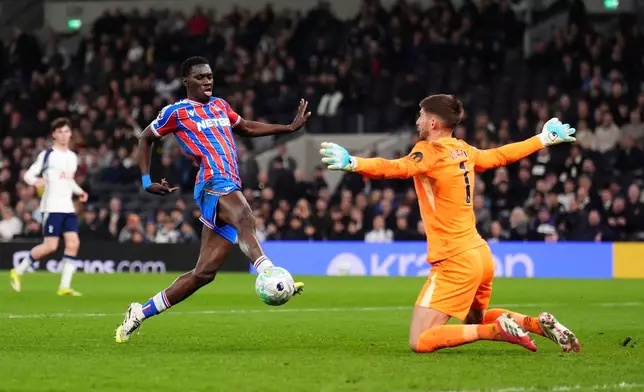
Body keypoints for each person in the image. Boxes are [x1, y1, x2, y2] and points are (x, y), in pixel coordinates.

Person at [320, 94, 581, 353]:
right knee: (473, 318)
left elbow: (397, 167)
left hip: (454, 259)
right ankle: (535, 324)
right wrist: (542, 139)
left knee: (420, 340)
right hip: (480, 255)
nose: (418, 121)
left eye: (421, 115)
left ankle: (495, 331)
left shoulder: (428, 151)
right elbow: (499, 156)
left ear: (433, 122)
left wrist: (354, 163)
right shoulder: (463, 149)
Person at [115, 56, 310, 343]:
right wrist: (147, 181)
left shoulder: (220, 105)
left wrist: (288, 128)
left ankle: (139, 312)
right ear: (186, 82)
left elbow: (244, 127)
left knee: (203, 274)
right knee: (245, 216)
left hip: (229, 182)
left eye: (210, 77)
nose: (208, 81)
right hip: (211, 182)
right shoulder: (176, 112)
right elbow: (145, 138)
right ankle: (269, 272)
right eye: (200, 77)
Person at [10, 118, 88, 296]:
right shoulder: (47, 155)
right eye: (59, 132)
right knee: (50, 246)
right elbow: (28, 174)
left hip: (68, 207)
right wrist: (35, 180)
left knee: (73, 243)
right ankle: (19, 270)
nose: (63, 135)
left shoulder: (72, 157)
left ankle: (64, 287)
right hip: (52, 207)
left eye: (66, 131)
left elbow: (69, 181)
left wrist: (80, 191)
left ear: (70, 134)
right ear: (54, 134)